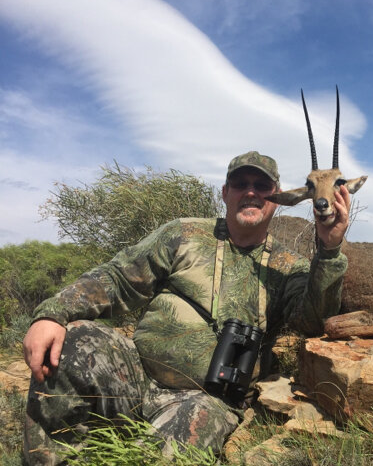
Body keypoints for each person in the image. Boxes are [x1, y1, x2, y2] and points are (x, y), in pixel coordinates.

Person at [22, 151, 351, 465]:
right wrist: (53, 313)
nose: (251, 193)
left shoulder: (287, 265)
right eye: (240, 184)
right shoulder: (183, 234)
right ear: (225, 192)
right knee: (71, 341)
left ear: (277, 197)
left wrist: (330, 249)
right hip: (136, 377)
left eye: (261, 186)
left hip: (206, 402)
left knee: (172, 447)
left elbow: (312, 320)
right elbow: (118, 279)